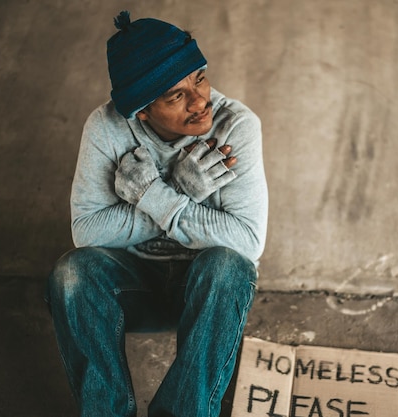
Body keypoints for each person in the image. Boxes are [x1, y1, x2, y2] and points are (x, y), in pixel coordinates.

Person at [45, 10, 268, 417]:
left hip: (202, 291)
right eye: (175, 95)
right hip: (135, 284)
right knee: (72, 272)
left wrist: (152, 193)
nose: (201, 101)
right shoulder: (106, 128)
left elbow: (248, 242)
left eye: (199, 77)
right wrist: (180, 189)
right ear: (141, 112)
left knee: (227, 267)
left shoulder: (236, 127)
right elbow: (87, 233)